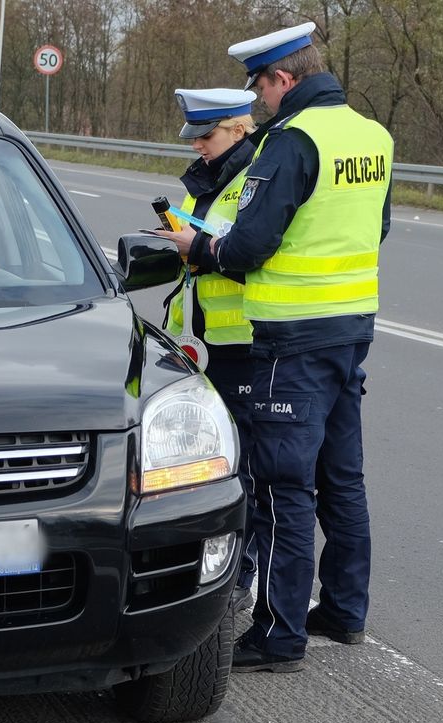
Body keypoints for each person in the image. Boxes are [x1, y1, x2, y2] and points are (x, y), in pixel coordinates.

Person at [179, 22, 394, 673]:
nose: (262, 102)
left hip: (290, 342)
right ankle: (345, 610)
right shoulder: (372, 135)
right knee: (342, 479)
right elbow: (375, 226)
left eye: (263, 88)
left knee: (280, 488)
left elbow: (247, 248)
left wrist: (200, 249)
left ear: (284, 78)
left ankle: (277, 634)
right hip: (351, 331)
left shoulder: (292, 140)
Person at [154, 88, 262, 614]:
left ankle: (243, 572)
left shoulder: (252, 179)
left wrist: (197, 247)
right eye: (194, 135)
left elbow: (245, 253)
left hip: (243, 341)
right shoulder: (209, 179)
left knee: (242, 465)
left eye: (207, 134)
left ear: (239, 130)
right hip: (198, 344)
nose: (197, 144)